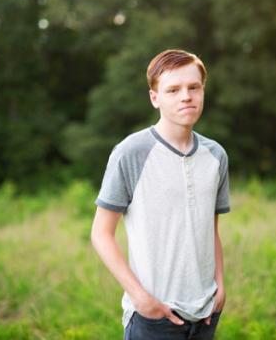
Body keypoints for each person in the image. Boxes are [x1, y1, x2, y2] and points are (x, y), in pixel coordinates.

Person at [90, 49, 229, 340]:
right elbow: (101, 234)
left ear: (203, 91)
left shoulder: (216, 155)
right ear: (155, 98)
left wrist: (220, 283)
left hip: (205, 314)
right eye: (173, 90)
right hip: (154, 316)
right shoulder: (131, 152)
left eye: (194, 87)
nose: (186, 96)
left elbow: (210, 229)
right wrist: (141, 299)